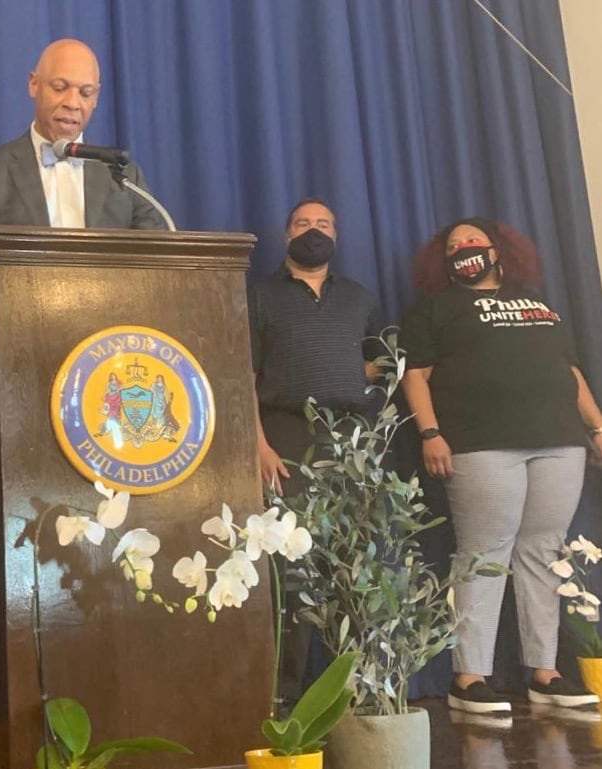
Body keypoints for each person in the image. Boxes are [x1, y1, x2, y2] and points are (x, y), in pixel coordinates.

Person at [401, 217, 602, 714]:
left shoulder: (540, 304)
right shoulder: (436, 309)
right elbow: (416, 376)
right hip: (480, 444)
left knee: (542, 551)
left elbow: (570, 371)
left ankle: (545, 672)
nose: (464, 247)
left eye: (473, 240)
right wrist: (430, 433)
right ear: (442, 258)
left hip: (559, 441)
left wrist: (596, 426)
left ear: (498, 249)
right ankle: (469, 677)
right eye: (453, 244)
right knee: (483, 553)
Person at [248, 198, 384, 709]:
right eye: (303, 224)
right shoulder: (260, 297)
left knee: (352, 567)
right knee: (293, 571)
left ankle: (352, 692)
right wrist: (258, 445)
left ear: (337, 237)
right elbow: (244, 377)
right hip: (285, 441)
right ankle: (283, 698)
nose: (314, 230)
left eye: (324, 224)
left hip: (350, 442)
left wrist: (348, 378)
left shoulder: (360, 297)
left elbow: (383, 362)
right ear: (287, 237)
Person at [0, 38, 167, 308]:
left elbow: (160, 267)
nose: (72, 102)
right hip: (20, 336)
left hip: (107, 341)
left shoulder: (124, 176)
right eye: (60, 88)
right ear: (34, 84)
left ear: (96, 98)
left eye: (85, 93)